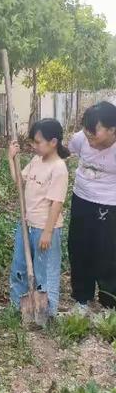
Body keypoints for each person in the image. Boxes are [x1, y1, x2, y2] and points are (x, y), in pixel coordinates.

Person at [8, 119, 69, 316]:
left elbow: (56, 203)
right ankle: (18, 307)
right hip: (27, 225)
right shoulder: (36, 161)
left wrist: (48, 232)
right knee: (20, 267)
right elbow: (19, 181)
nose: (34, 146)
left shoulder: (58, 168)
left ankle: (47, 313)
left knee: (45, 271)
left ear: (53, 142)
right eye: (32, 142)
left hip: (45, 228)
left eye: (37, 142)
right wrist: (11, 158)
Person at [68, 101, 116, 312]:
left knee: (107, 252)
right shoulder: (80, 139)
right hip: (82, 198)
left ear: (112, 130)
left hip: (110, 203)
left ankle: (109, 302)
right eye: (86, 133)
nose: (89, 138)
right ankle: (82, 298)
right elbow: (64, 153)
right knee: (79, 247)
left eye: (94, 134)